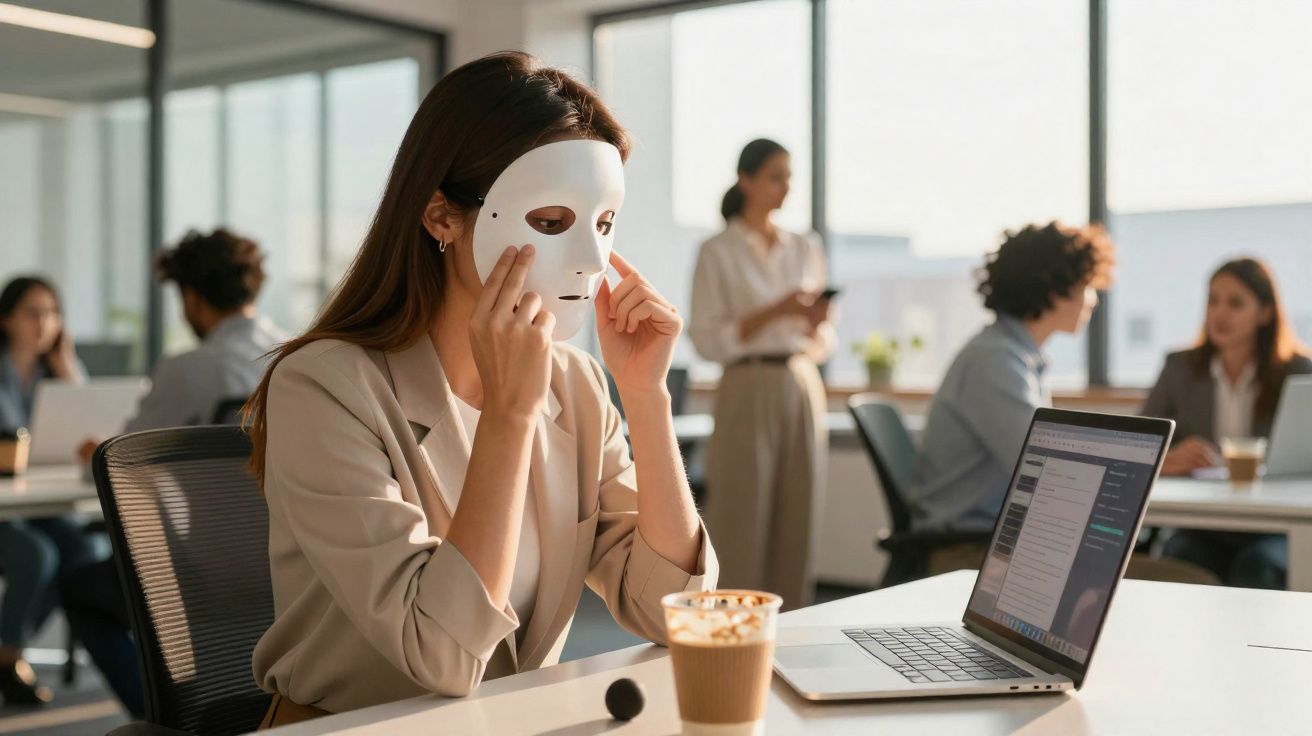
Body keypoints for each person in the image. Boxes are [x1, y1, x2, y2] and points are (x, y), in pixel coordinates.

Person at [243, 52, 716, 726]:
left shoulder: (577, 386)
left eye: (604, 226)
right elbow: (440, 653)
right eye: (551, 223)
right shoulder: (323, 389)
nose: (589, 258)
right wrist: (509, 414)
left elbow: (674, 613)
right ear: (442, 216)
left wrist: (644, 397)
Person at [59, 228, 285, 718]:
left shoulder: (189, 368)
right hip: (291, 563)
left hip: (205, 571)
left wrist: (92, 451)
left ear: (190, 297)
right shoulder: (294, 354)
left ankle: (168, 717)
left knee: (79, 588)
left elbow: (121, 463)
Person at [905, 223, 1113, 571]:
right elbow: (1049, 469)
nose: (1093, 298)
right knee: (1191, 578)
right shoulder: (995, 361)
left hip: (992, 541)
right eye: (1087, 286)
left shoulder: (1012, 356)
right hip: (968, 550)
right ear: (1055, 289)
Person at [689, 138, 836, 609]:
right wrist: (777, 310)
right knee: (741, 513)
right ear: (746, 180)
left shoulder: (804, 246)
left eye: (789, 177)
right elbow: (708, 338)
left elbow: (822, 339)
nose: (785, 187)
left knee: (800, 513)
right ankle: (731, 627)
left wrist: (814, 322)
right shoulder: (717, 251)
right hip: (746, 383)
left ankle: (790, 626)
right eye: (776, 176)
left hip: (801, 381)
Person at [1143, 258, 1312, 588]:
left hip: (1277, 523)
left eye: (1235, 303)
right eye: (1213, 301)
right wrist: (1168, 460)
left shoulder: (1299, 372)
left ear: (1264, 312)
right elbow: (1137, 447)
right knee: (1181, 556)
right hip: (1206, 521)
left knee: (1258, 565)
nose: (1220, 314)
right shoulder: (1179, 368)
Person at [0, 276, 99, 705]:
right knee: (37, 555)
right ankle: (8, 654)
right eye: (33, 313)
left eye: (52, 313)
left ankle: (6, 649)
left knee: (84, 554)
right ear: (6, 318)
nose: (45, 323)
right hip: (7, 505)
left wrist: (66, 373)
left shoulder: (55, 370)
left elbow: (87, 430)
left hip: (35, 501)